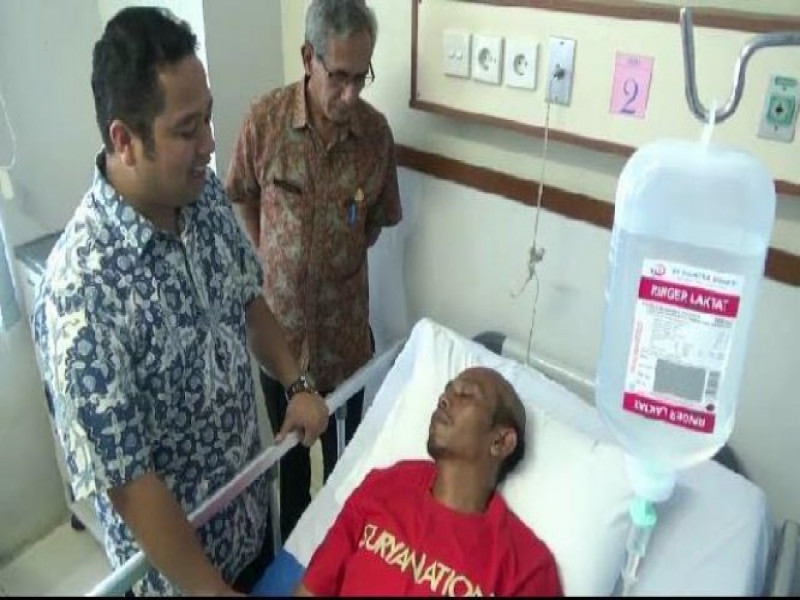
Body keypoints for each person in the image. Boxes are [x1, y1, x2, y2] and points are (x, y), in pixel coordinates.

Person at [32, 7, 329, 596]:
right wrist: (210, 591)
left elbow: (247, 300)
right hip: (180, 582)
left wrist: (296, 383)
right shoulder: (79, 295)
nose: (210, 144)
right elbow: (128, 481)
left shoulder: (203, 199)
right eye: (187, 129)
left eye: (208, 118)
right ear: (124, 140)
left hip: (250, 524)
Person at [225, 0, 402, 544]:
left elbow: (377, 220)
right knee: (294, 474)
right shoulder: (266, 120)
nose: (350, 95)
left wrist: (332, 261)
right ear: (308, 58)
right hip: (282, 342)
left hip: (346, 344)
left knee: (348, 470)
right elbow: (242, 194)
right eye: (339, 76)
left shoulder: (375, 136)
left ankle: (343, 560)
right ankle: (296, 567)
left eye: (360, 78)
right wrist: (271, 253)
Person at [294, 367, 564, 597]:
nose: (444, 399)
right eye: (447, 390)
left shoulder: (526, 568)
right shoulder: (385, 486)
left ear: (501, 441)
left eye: (466, 394)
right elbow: (312, 589)